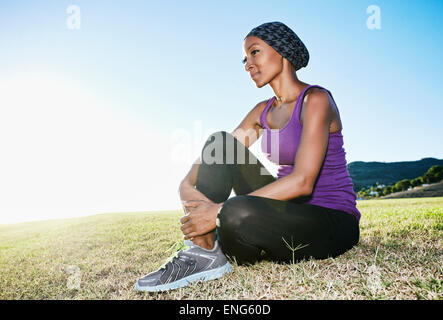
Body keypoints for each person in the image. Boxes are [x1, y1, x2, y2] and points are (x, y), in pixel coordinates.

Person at [135, 21, 361, 292]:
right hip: (285, 214)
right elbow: (219, 151)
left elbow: (303, 182)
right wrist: (184, 184)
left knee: (235, 212)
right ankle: (204, 252)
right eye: (245, 58)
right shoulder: (261, 111)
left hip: (332, 220)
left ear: (282, 51)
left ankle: (227, 232)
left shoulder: (316, 99)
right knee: (220, 142)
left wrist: (217, 212)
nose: (248, 65)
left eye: (255, 52)